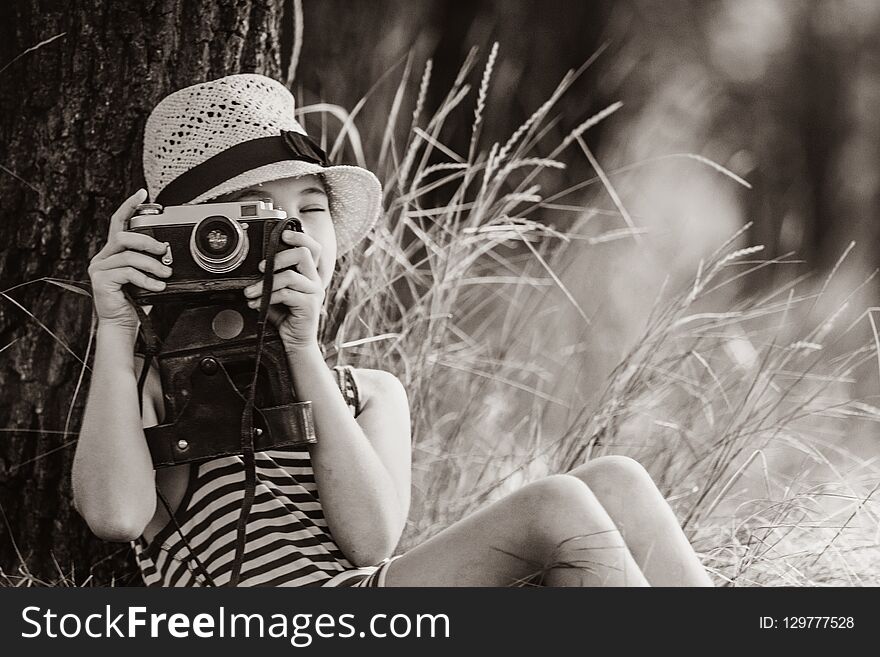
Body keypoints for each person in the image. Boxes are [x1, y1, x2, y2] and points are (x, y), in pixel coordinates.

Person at [72, 74, 712, 587]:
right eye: (257, 217)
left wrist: (302, 349)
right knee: (556, 510)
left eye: (310, 208)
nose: (293, 232)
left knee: (617, 481)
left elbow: (370, 544)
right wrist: (116, 326)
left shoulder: (368, 394)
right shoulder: (160, 388)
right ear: (200, 239)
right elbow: (114, 515)